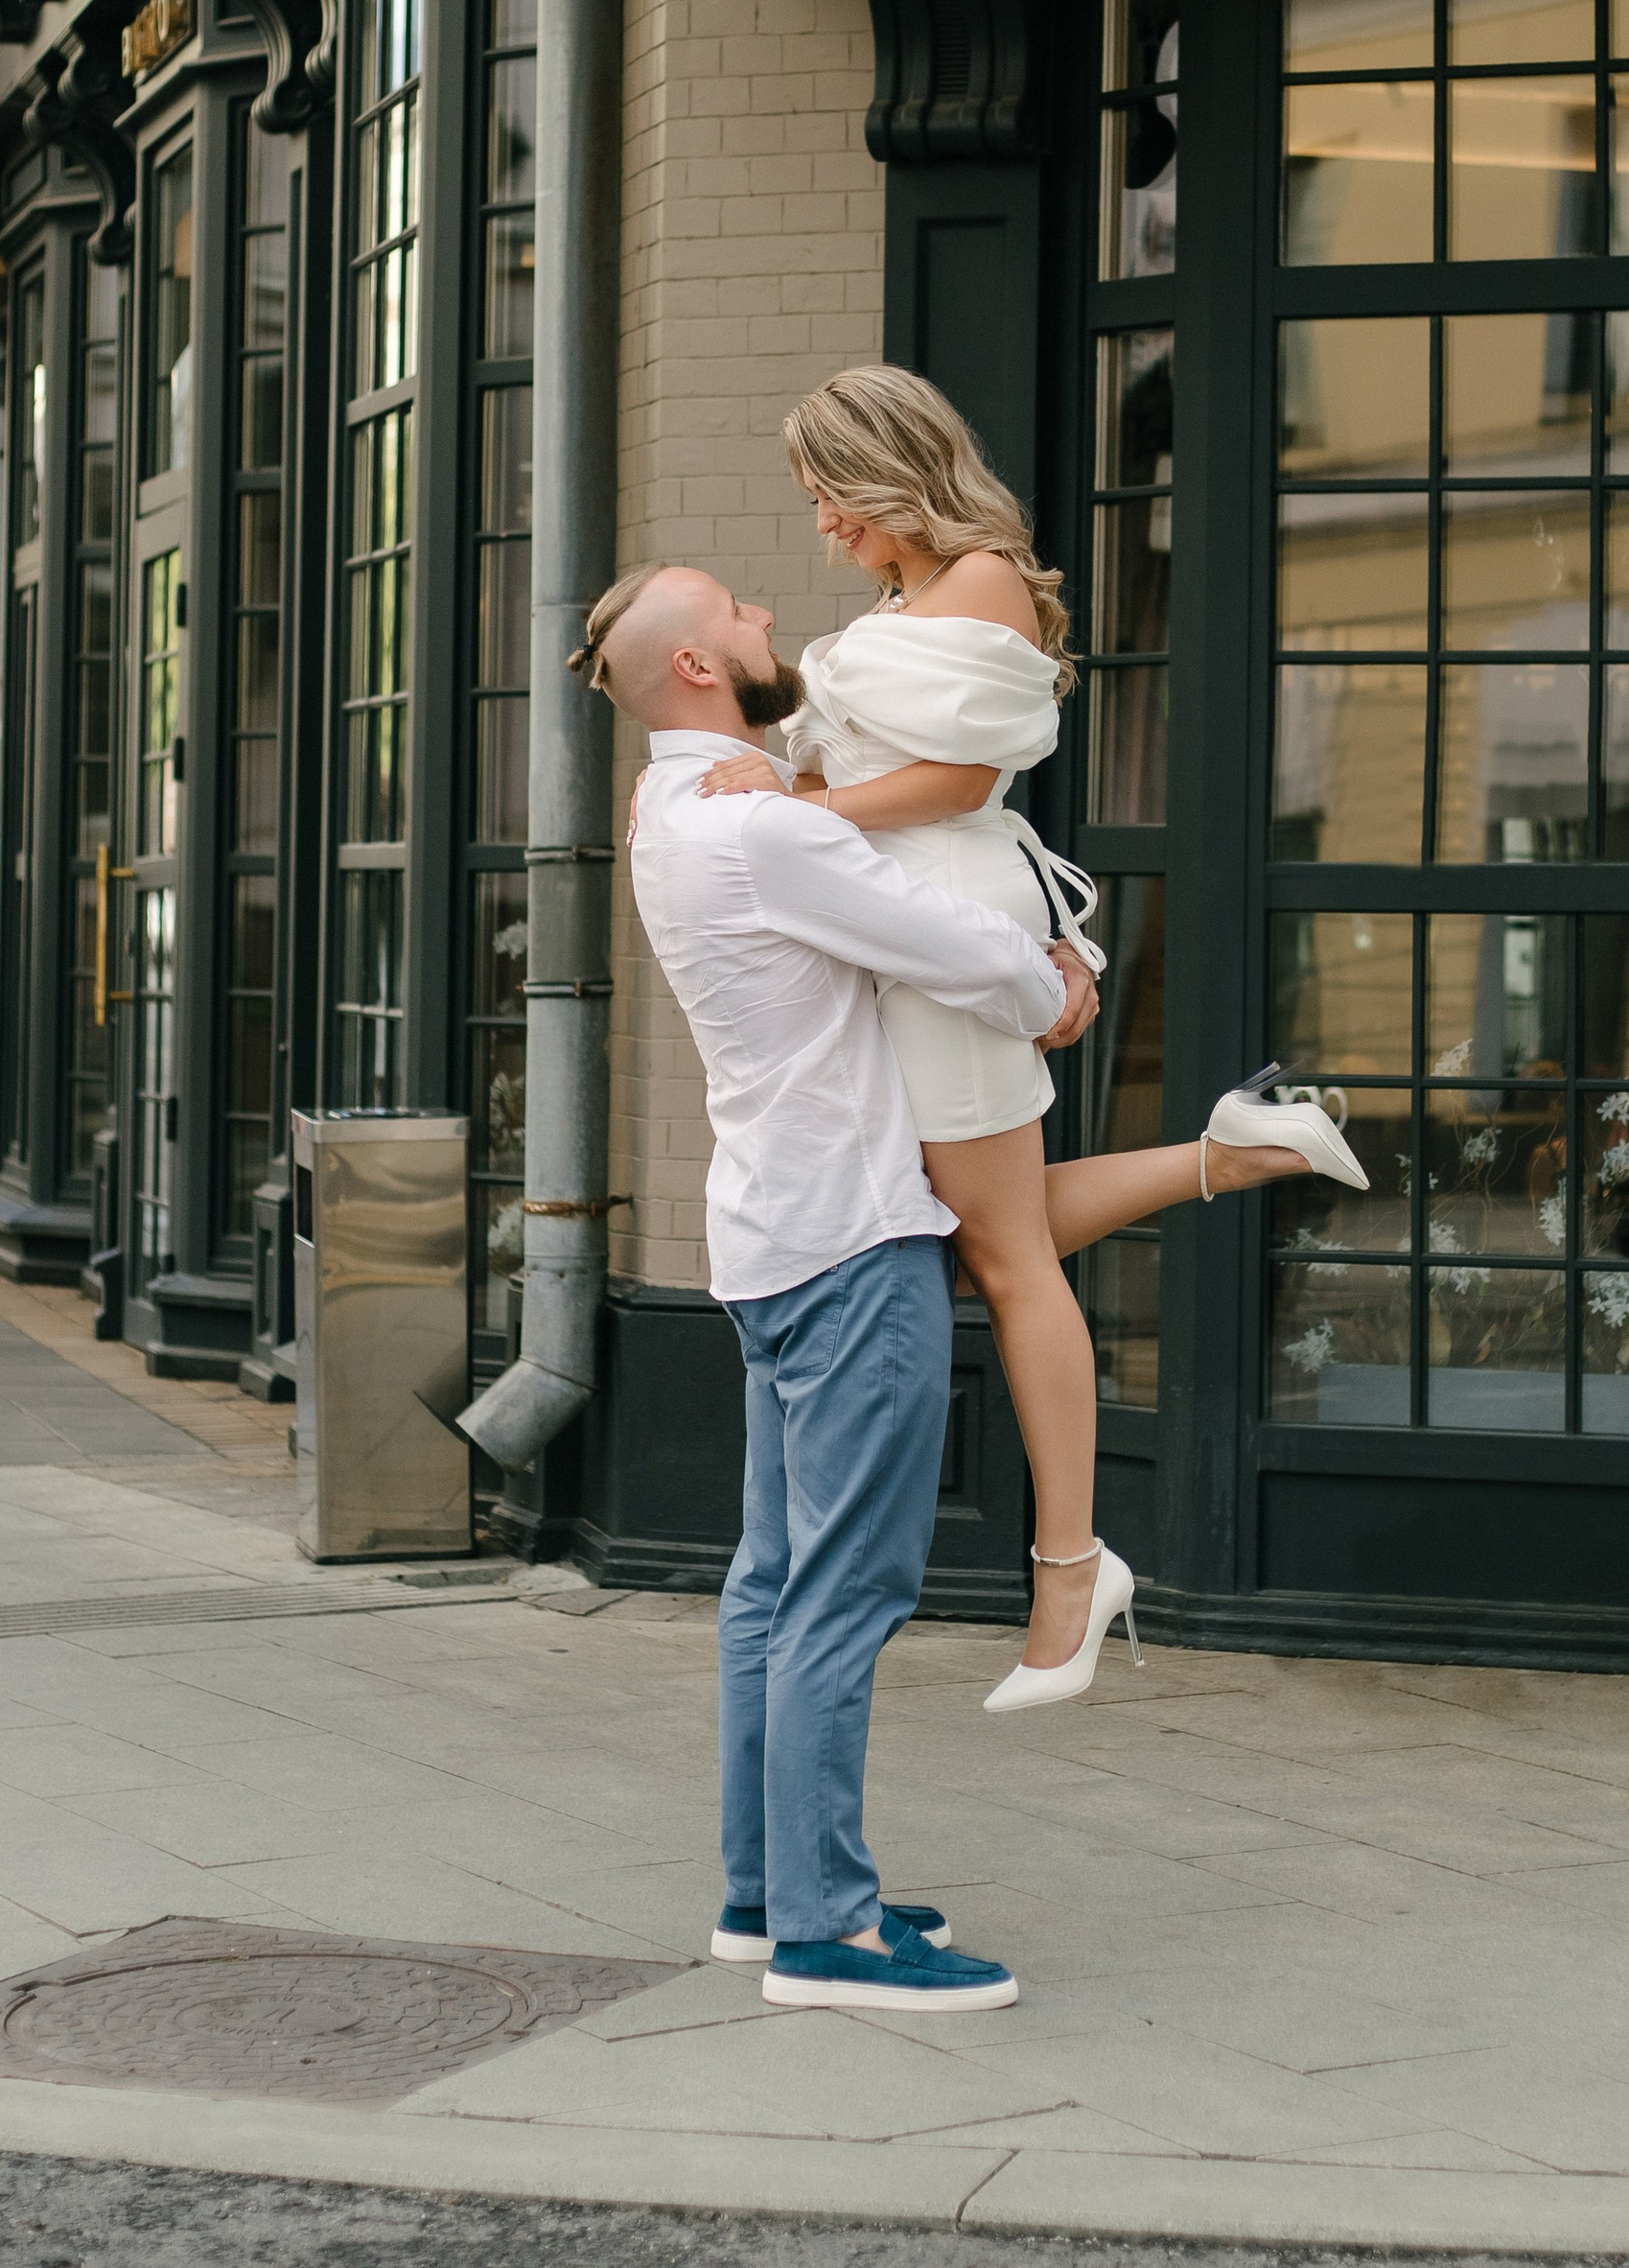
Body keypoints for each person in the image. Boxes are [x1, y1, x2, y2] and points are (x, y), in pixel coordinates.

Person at [690, 366, 1365, 1715]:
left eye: (831, 495)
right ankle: (1230, 1155)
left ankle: (1072, 1568)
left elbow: (955, 781)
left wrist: (804, 801)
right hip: (916, 925)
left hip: (947, 926)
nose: (822, 524)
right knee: (985, 1229)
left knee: (998, 1255)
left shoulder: (983, 576)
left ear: (891, 475)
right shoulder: (910, 597)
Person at [581, 557, 1102, 2017]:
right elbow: (960, 948)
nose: (765, 617)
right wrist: (1056, 983)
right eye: (736, 611)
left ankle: (762, 1895)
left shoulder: (675, 807)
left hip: (767, 1238)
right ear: (697, 670)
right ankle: (830, 1933)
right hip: (855, 1247)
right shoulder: (761, 833)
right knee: (845, 1592)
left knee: (768, 1587)